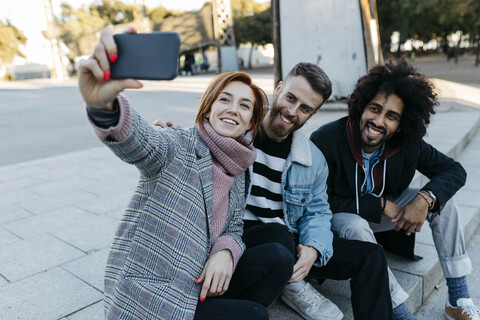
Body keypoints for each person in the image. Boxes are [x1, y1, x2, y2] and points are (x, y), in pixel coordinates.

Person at [78, 29, 295, 320]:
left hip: (197, 280)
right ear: (207, 110)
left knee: (279, 255)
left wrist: (226, 252)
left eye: (244, 106)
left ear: (249, 124)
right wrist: (103, 106)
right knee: (255, 316)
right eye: (224, 100)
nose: (233, 109)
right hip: (154, 295)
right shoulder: (177, 143)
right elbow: (140, 142)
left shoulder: (239, 167)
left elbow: (233, 227)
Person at [156, 62, 393, 319]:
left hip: (288, 244)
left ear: (312, 115)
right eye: (290, 98)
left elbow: (318, 211)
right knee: (279, 236)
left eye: (304, 108)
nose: (292, 111)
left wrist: (314, 247)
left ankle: (295, 280)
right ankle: (292, 286)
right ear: (278, 89)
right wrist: (166, 135)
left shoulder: (312, 159)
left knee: (372, 255)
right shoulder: (238, 130)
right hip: (242, 240)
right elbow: (200, 135)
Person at [310, 59, 479, 320]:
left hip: (381, 221)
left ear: (401, 125)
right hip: (338, 222)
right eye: (374, 109)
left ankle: (457, 297)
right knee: (355, 224)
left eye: (391, 116)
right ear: (361, 106)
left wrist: (424, 198)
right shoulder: (327, 139)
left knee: (443, 202)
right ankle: (399, 311)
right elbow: (317, 201)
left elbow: (454, 171)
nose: (378, 121)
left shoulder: (407, 144)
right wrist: (378, 204)